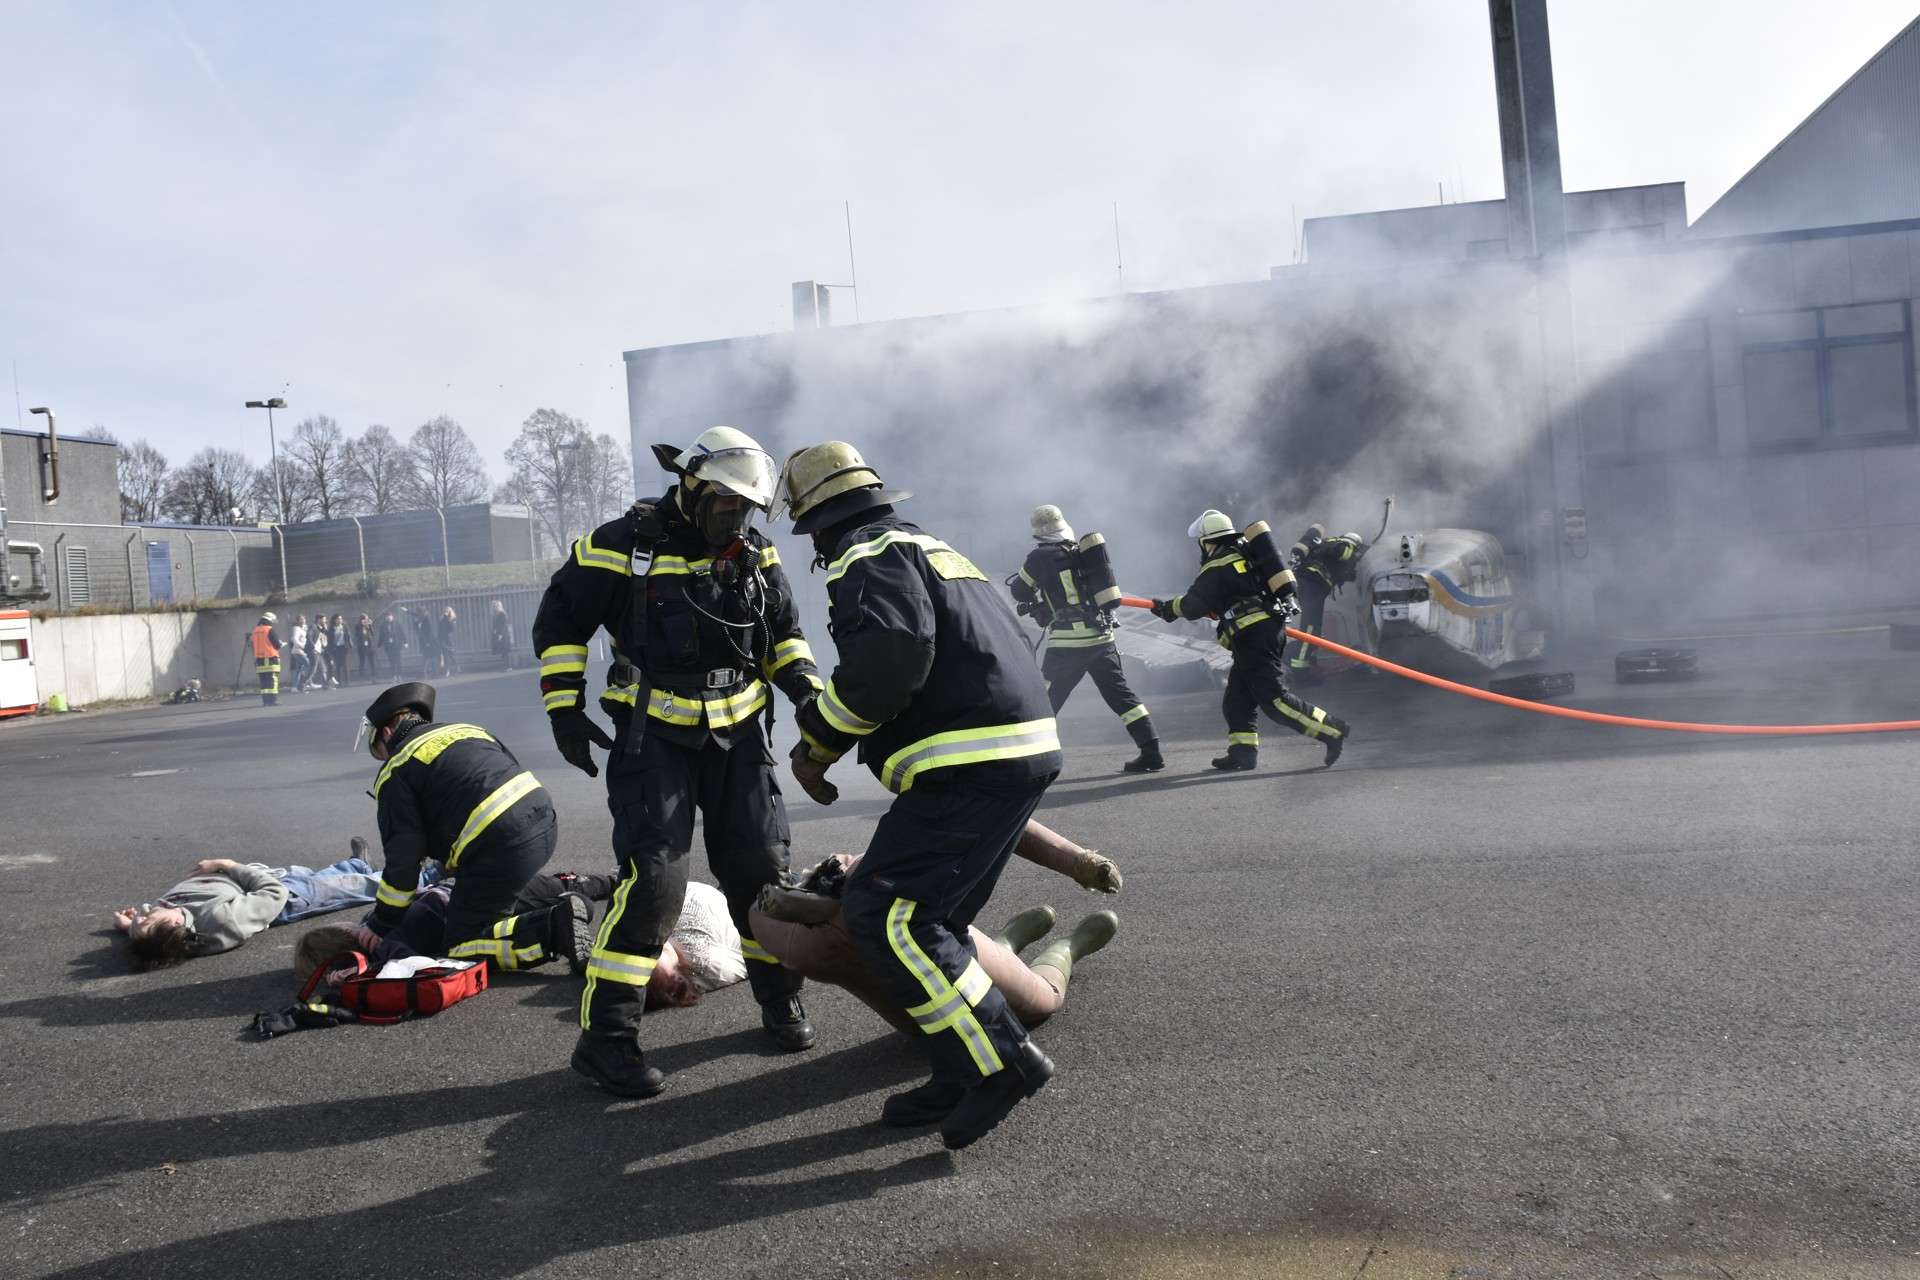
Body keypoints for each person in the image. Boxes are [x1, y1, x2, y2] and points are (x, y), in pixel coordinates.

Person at [778, 440, 1063, 1151]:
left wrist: (817, 742)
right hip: (1018, 748)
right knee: (934, 924)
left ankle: (1000, 1066)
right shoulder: (932, 547)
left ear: (814, 522)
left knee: (887, 913)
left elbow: (892, 660)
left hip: (969, 759)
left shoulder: (862, 555)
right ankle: (955, 1069)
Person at [532, 424, 825, 1098]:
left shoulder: (755, 552)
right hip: (651, 740)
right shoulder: (619, 547)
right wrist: (563, 710)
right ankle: (607, 1040)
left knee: (762, 874)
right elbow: (559, 625)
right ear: (690, 487)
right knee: (656, 884)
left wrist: (807, 694)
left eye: (746, 507)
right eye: (725, 504)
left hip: (741, 737)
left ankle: (779, 1000)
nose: (736, 517)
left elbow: (784, 637)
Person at [748, 820, 1121, 1042]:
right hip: (879, 904)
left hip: (818, 907)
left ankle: (1005, 943)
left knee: (930, 1015)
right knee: (1041, 1001)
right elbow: (1004, 817)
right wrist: (1078, 861)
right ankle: (1066, 950)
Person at [359, 681, 590, 975]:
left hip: (497, 845)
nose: (385, 758)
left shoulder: (395, 770)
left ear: (388, 732)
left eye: (381, 750)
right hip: (543, 822)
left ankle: (553, 930)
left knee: (459, 946)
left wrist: (382, 922)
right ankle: (570, 906)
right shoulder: (465, 729)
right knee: (489, 896)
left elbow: (403, 858)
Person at [1150, 509, 1351, 770]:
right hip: (1261, 634)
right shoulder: (1247, 559)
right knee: (1237, 700)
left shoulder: (1217, 566)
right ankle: (1242, 753)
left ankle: (1332, 730)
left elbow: (1191, 605)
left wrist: (1167, 608)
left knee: (1276, 701)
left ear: (1207, 541)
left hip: (1254, 636)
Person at [1008, 504, 1162, 774]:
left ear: (1038, 533)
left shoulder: (1039, 557)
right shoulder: (1082, 553)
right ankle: (1151, 752)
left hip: (1066, 645)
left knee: (1045, 700)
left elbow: (1020, 590)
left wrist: (1041, 599)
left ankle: (1025, 762)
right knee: (1121, 696)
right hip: (1102, 638)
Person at [295, 868, 612, 984]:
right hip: (468, 885)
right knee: (559, 887)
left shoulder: (382, 949)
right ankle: (612, 881)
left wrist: (359, 974)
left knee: (462, 953)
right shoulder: (375, 919)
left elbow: (412, 965)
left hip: (468, 919)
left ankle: (554, 927)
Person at [112, 850, 384, 971]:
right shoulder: (222, 920)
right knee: (354, 888)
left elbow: (150, 924)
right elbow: (274, 894)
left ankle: (355, 864)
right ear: (172, 924)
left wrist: (129, 926)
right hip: (280, 899)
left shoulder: (162, 929)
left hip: (245, 888)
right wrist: (228, 865)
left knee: (320, 877)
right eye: (148, 918)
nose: (146, 911)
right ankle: (420, 874)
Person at [1287, 524, 1366, 678]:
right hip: (1312, 585)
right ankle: (1300, 670)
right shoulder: (1344, 544)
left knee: (1313, 628)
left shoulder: (1324, 543)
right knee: (1310, 628)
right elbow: (1342, 553)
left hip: (1308, 584)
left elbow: (1345, 573)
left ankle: (1308, 663)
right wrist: (1353, 552)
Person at [250, 611, 282, 707]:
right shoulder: (269, 630)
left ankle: (265, 701)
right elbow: (277, 645)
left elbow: (252, 645)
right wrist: (281, 644)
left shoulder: (255, 630)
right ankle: (272, 701)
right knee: (272, 680)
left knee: (263, 681)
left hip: (259, 660)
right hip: (271, 658)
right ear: (270, 620)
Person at [287, 614, 311, 693]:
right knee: (308, 665)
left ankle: (295, 687)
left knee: (298, 670)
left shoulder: (303, 628)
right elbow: (294, 639)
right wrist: (301, 646)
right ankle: (302, 684)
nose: (303, 620)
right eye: (301, 619)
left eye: (304, 619)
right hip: (298, 651)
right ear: (297, 621)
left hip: (300, 651)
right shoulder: (296, 628)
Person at [378, 609, 404, 678]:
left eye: (390, 616)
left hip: (397, 644)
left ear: (392, 616)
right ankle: (394, 675)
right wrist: (379, 644)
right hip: (388, 645)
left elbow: (402, 633)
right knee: (391, 660)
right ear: (385, 617)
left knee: (398, 660)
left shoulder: (397, 623)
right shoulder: (383, 625)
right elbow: (381, 635)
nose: (389, 617)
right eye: (387, 616)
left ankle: (400, 675)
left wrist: (405, 642)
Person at [490, 600, 514, 670]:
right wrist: (494, 631)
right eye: (493, 606)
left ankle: (508, 666)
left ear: (499, 606)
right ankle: (506, 666)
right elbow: (495, 625)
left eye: (495, 606)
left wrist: (500, 634)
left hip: (503, 635)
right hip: (500, 634)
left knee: (505, 651)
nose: (494, 607)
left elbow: (503, 625)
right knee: (503, 652)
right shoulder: (495, 615)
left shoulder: (502, 614)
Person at [330, 614, 353, 687]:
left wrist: (350, 645)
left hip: (344, 647)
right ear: (334, 620)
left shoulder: (344, 627)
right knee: (338, 666)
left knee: (345, 664)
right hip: (336, 648)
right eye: (338, 619)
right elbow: (330, 639)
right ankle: (339, 682)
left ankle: (347, 681)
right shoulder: (331, 628)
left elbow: (348, 636)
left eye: (341, 619)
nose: (340, 620)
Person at [436, 607, 459, 676]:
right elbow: (439, 629)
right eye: (444, 611)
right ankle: (447, 670)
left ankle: (456, 667)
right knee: (445, 655)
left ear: (450, 612)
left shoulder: (452, 619)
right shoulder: (442, 619)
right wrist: (438, 638)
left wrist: (446, 618)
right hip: (443, 640)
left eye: (446, 611)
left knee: (451, 655)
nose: (445, 612)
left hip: (449, 640)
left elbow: (452, 629)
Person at [355, 613, 377, 681]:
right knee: (362, 661)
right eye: (364, 619)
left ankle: (374, 676)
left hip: (369, 646)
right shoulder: (357, 626)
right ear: (361, 620)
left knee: (372, 661)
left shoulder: (368, 626)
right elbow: (357, 635)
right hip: (361, 646)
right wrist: (362, 626)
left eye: (367, 619)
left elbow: (373, 634)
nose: (365, 620)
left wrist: (369, 626)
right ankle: (362, 676)